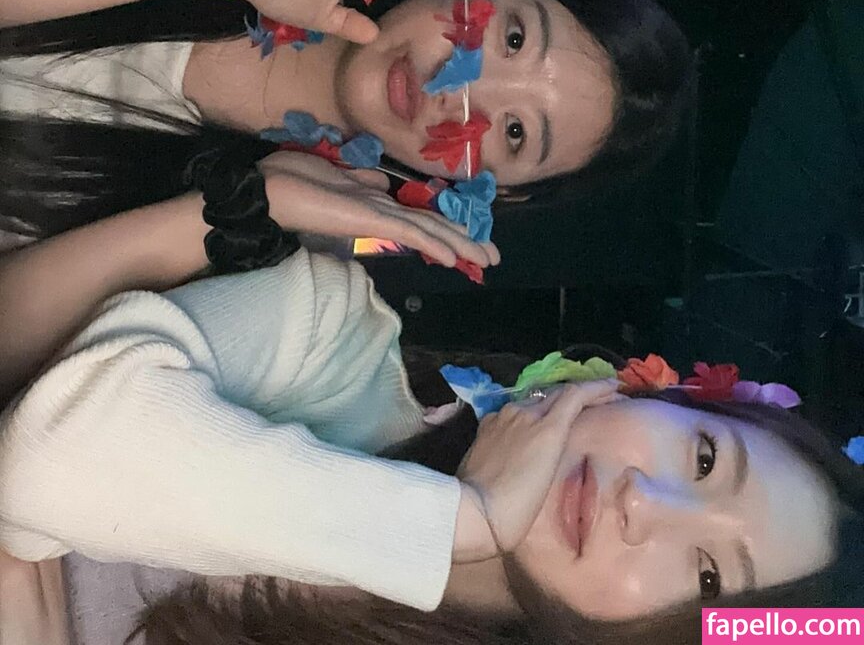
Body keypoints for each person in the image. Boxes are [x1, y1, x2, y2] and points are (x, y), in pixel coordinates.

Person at [0, 193, 860, 645]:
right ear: (647, 395)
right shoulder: (332, 333)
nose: (644, 501)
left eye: (707, 578)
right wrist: (460, 523)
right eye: (704, 458)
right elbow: (50, 454)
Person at [0, 0, 694, 257]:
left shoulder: (271, 250)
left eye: (513, 131)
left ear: (494, 191)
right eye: (511, 38)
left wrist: (243, 210)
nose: (455, 87)